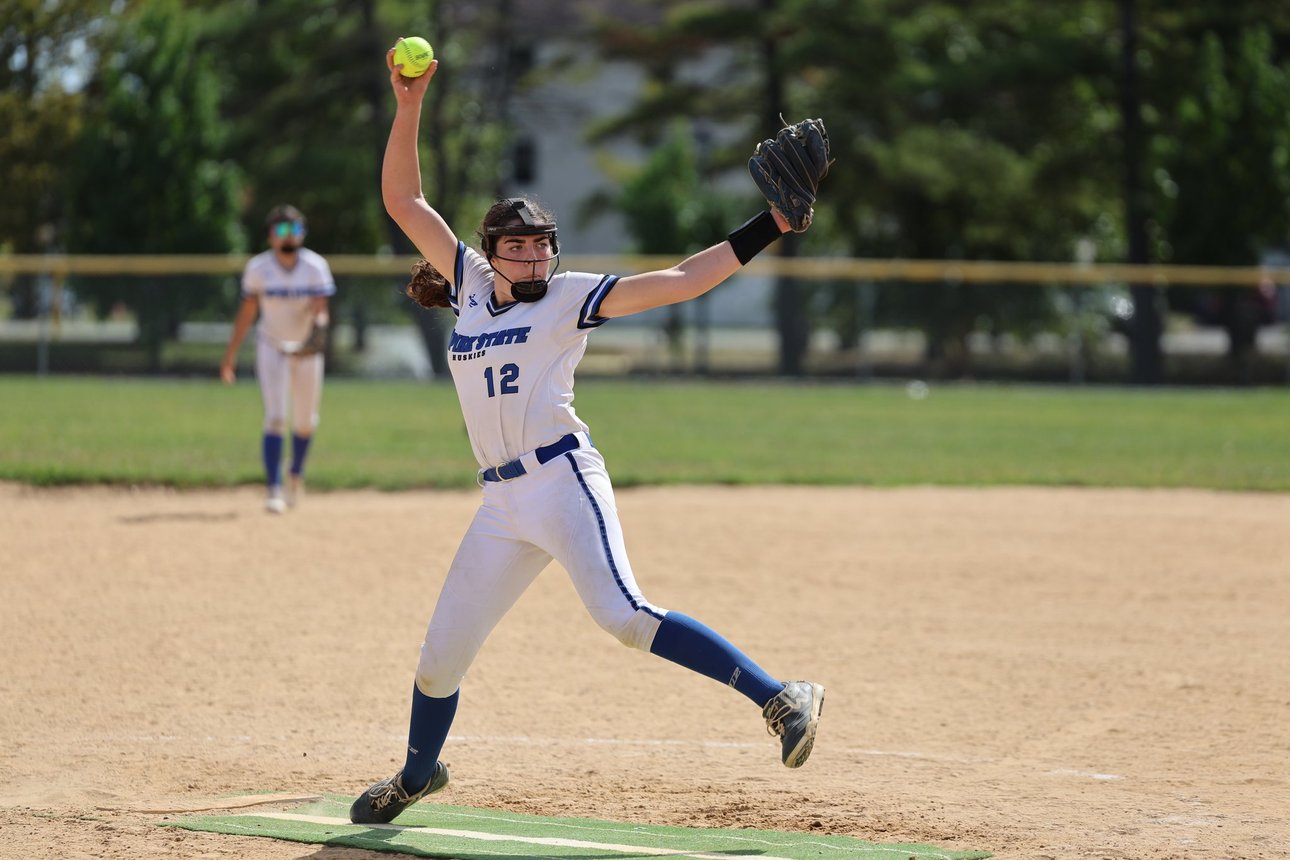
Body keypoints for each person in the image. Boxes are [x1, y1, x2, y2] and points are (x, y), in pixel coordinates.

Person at [349, 42, 826, 825]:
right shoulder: (469, 282)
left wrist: (769, 224)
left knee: (623, 615)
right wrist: (408, 108)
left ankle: (780, 698)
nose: (534, 253)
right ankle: (416, 774)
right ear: (491, 254)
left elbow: (678, 281)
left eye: (542, 243)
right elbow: (404, 202)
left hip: (563, 480)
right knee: (440, 659)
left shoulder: (567, 297)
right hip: (501, 505)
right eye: (518, 245)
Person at [220, 205, 335, 513]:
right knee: (275, 417)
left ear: (303, 234)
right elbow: (247, 313)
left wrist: (320, 326)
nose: (288, 237)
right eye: (282, 230)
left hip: (306, 349)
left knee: (305, 422)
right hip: (271, 346)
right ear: (271, 235)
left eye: (294, 230)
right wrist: (230, 355)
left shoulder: (314, 266)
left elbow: (321, 307)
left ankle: (295, 472)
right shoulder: (259, 268)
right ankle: (273, 486)